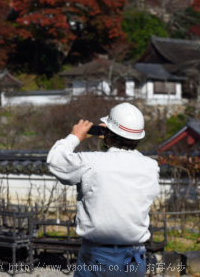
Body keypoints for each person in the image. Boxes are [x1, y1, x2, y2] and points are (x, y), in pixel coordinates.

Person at [46, 102, 160, 276]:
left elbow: (55, 161)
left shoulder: (91, 162)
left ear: (108, 133)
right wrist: (111, 136)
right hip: (135, 257)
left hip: (98, 255)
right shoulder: (152, 168)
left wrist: (74, 137)